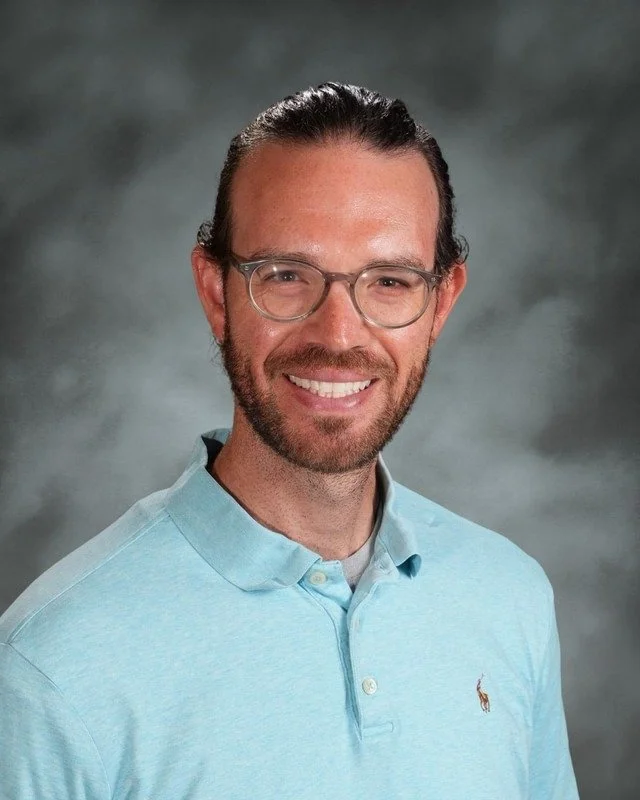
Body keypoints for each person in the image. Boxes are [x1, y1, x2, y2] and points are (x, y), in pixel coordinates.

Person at [0, 82, 579, 799]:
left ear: (442, 301)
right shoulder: (53, 665)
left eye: (391, 282)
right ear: (215, 293)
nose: (338, 335)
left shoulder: (509, 595)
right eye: (284, 276)